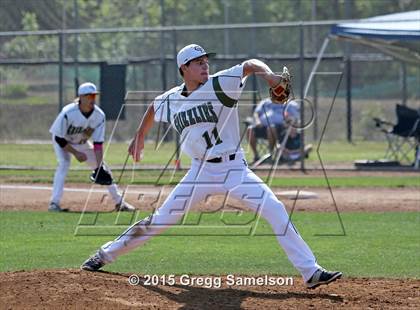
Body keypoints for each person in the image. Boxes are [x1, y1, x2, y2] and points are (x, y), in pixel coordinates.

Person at [81, 44, 342, 289]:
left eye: (206, 61)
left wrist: (269, 76)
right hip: (199, 172)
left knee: (274, 208)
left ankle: (310, 272)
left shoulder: (220, 84)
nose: (205, 66)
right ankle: (103, 255)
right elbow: (152, 108)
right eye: (198, 63)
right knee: (160, 220)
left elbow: (249, 65)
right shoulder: (171, 99)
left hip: (234, 169)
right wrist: (139, 136)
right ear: (183, 68)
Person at [48, 82, 135, 212]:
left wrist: (99, 166)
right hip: (63, 142)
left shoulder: (99, 116)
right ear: (81, 97)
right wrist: (76, 153)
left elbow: (98, 144)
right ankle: (54, 203)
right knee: (64, 164)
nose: (92, 99)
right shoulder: (68, 113)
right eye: (89, 96)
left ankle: (120, 203)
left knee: (104, 169)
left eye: (94, 96)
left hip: (82, 143)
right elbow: (58, 138)